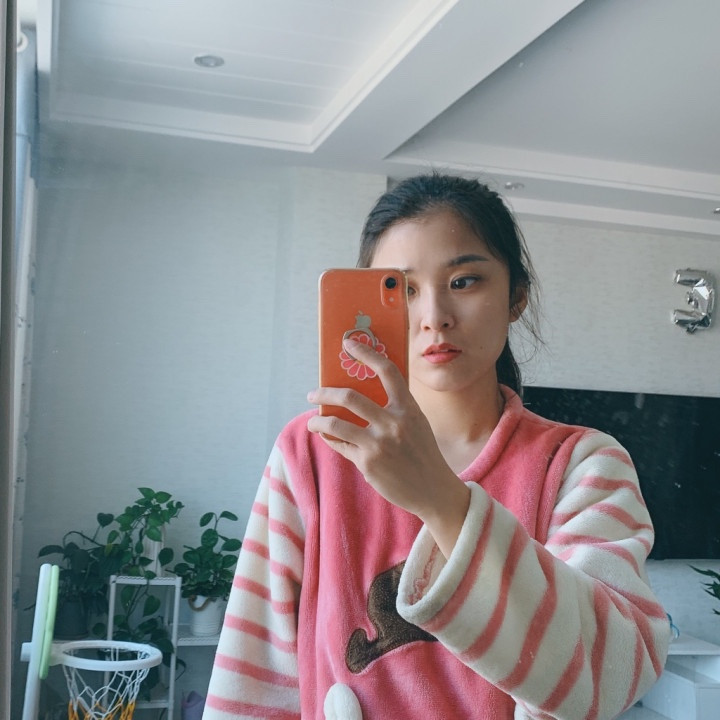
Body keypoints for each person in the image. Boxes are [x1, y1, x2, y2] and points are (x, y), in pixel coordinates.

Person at [203, 174, 670, 720]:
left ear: (516, 297)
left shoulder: (582, 463)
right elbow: (254, 680)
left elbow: (607, 677)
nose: (434, 317)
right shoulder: (315, 451)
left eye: (464, 281)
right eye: (401, 289)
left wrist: (442, 501)